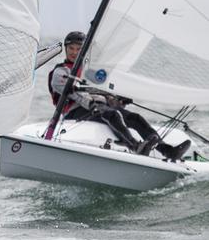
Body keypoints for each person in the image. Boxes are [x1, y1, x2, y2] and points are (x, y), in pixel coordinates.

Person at [48, 31, 191, 161]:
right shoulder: (61, 71)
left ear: (85, 51)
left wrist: (119, 99)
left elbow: (103, 92)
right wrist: (92, 105)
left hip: (99, 108)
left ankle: (167, 151)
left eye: (78, 49)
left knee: (135, 118)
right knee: (113, 114)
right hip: (75, 111)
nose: (74, 52)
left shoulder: (90, 72)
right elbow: (74, 93)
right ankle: (136, 147)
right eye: (71, 48)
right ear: (66, 49)